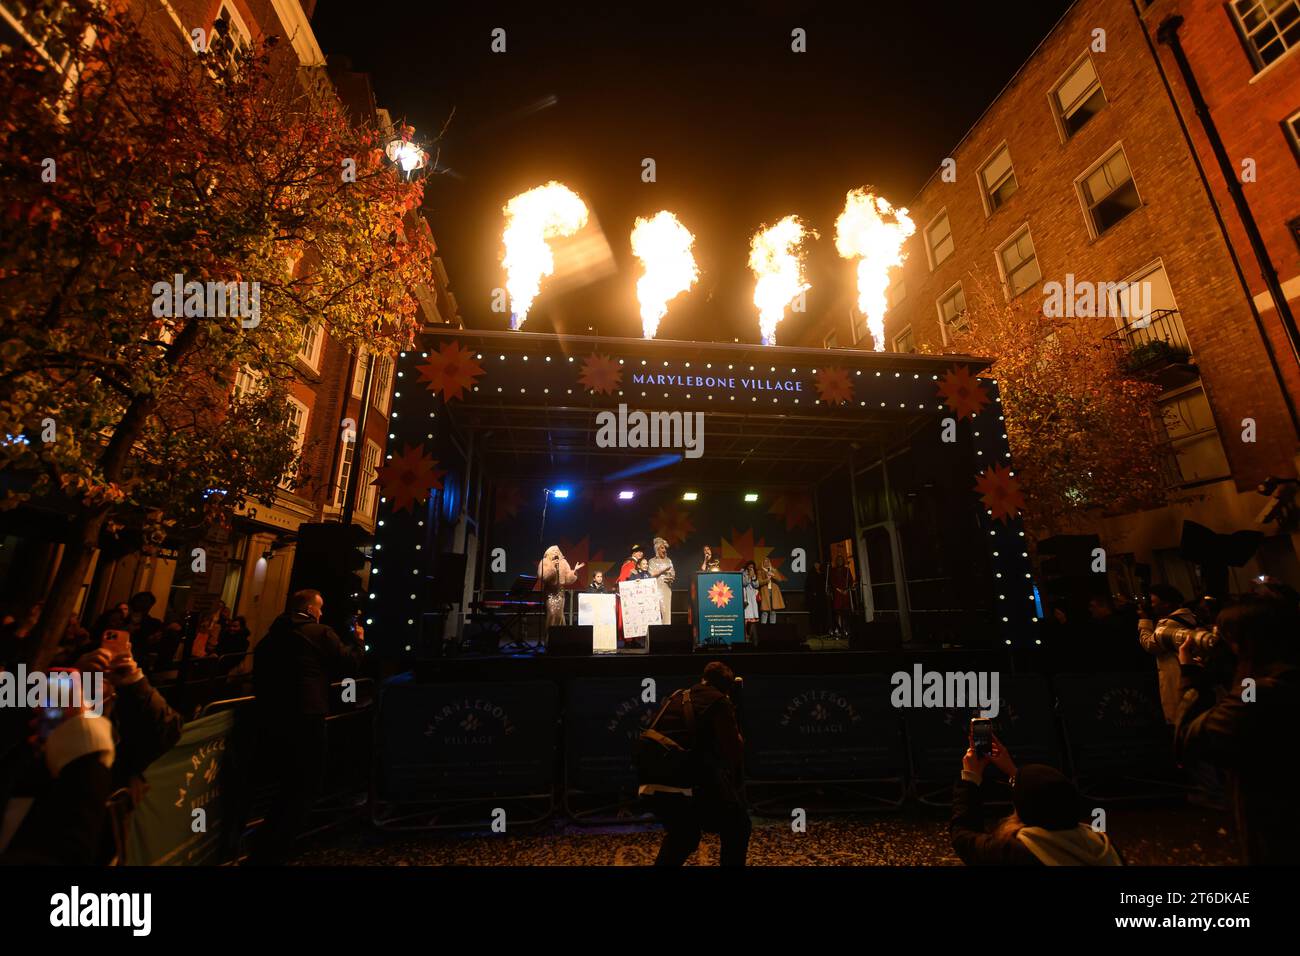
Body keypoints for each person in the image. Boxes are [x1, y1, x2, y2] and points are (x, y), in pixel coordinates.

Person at [1175, 597, 1300, 864]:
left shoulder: (1258, 694)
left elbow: (1191, 739)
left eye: (1225, 638)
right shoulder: (1283, 678)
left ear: (1244, 643)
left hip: (1277, 831)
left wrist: (1190, 675)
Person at [249, 589, 365, 865]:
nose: (322, 613)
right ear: (311, 609)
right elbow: (349, 663)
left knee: (283, 782)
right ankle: (279, 849)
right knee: (305, 783)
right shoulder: (319, 633)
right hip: (307, 716)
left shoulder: (270, 638)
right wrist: (358, 642)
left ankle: (264, 844)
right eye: (320, 608)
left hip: (273, 716)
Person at [640, 661, 750, 866]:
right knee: (738, 826)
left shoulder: (677, 696)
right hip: (685, 785)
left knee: (684, 836)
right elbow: (734, 751)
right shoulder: (719, 702)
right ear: (726, 687)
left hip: (651, 781)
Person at [951, 735, 1122, 866]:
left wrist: (971, 778)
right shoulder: (1103, 845)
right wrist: (1012, 771)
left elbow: (963, 837)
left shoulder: (1018, 852)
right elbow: (1042, 794)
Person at [1138, 584, 1198, 724]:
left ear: (1166, 604)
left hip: (1177, 676)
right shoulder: (1190, 617)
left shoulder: (1169, 623)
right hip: (1191, 673)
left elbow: (1149, 645)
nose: (1151, 606)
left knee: (1181, 717)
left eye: (1153, 602)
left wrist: (1144, 620)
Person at [536, 545, 582, 631]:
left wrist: (574, 571)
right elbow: (542, 576)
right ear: (549, 552)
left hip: (560, 592)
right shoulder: (545, 562)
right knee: (552, 614)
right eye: (553, 551)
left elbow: (568, 579)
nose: (555, 553)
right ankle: (550, 638)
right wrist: (553, 567)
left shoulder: (563, 562)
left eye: (557, 551)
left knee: (560, 615)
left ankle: (560, 637)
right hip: (550, 592)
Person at [648, 537, 675, 628]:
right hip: (655, 589)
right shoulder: (652, 561)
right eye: (662, 548)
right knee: (656, 611)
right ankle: (656, 633)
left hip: (666, 588)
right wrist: (664, 569)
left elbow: (673, 574)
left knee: (666, 611)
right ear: (657, 549)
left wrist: (671, 578)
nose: (664, 550)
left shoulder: (669, 560)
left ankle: (666, 632)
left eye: (665, 548)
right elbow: (651, 574)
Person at [829, 554, 855, 637]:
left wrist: (846, 590)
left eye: (841, 559)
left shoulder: (846, 570)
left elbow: (850, 581)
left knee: (846, 612)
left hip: (845, 594)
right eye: (838, 560)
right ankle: (839, 630)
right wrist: (839, 590)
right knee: (838, 612)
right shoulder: (833, 571)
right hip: (837, 594)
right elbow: (832, 582)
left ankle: (846, 630)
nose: (840, 561)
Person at [757, 558, 784, 624]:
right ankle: (763, 626)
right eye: (765, 562)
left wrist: (773, 575)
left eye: (768, 562)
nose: (766, 563)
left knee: (773, 610)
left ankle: (773, 626)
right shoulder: (760, 571)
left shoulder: (774, 570)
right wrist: (767, 579)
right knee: (765, 611)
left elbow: (779, 579)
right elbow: (759, 582)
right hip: (765, 591)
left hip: (774, 591)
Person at [806, 560, 828, 636]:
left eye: (818, 564)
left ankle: (824, 632)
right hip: (814, 599)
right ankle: (816, 632)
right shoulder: (811, 573)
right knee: (815, 616)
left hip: (822, 597)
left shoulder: (823, 573)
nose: (817, 565)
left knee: (823, 614)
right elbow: (808, 586)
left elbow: (826, 584)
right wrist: (813, 593)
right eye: (815, 564)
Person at [742, 562, 759, 642]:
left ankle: (752, 638)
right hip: (745, 597)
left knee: (752, 620)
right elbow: (744, 583)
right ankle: (745, 636)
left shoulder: (754, 574)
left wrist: (753, 577)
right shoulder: (742, 572)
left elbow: (756, 585)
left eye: (752, 567)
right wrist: (749, 576)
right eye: (750, 567)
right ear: (747, 566)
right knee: (745, 619)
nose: (751, 568)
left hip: (752, 598)